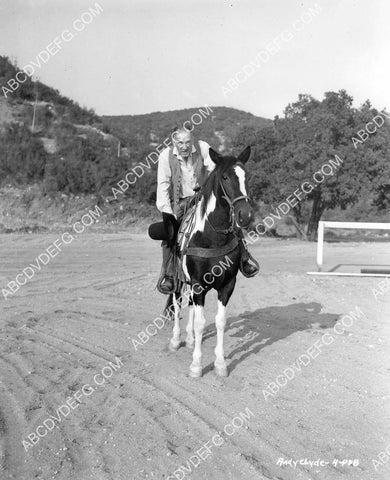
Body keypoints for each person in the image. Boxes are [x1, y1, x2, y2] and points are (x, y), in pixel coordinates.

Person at [156, 127, 259, 294]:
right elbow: (163, 186)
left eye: (188, 142)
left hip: (204, 197)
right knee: (169, 234)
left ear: (192, 139)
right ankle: (169, 275)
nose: (185, 146)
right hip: (180, 202)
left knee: (230, 220)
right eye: (180, 143)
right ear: (174, 142)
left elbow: (216, 172)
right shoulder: (165, 156)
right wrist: (168, 214)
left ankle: (244, 259)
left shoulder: (203, 147)